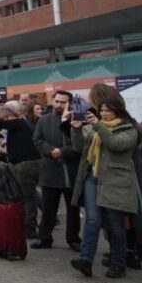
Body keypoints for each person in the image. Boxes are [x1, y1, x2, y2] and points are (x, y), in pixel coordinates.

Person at [70, 93, 142, 278]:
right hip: (92, 178)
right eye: (101, 110)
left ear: (118, 111)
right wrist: (76, 129)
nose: (104, 114)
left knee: (115, 224)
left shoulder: (129, 130)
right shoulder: (97, 128)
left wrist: (98, 125)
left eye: (108, 111)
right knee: (92, 220)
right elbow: (79, 147)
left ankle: (118, 264)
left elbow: (115, 144)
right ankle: (86, 260)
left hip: (115, 181)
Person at [31, 90, 81, 251]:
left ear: (69, 103)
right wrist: (51, 150)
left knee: (73, 208)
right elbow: (37, 140)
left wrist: (63, 152)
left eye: (63, 102)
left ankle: (73, 239)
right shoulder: (44, 120)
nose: (59, 105)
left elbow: (81, 144)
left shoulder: (77, 119)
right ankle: (44, 237)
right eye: (57, 101)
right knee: (48, 208)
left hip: (71, 171)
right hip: (50, 169)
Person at [0, 101, 41, 239]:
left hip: (25, 165)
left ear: (15, 113)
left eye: (8, 116)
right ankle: (40, 221)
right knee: (29, 194)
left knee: (27, 197)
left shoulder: (20, 122)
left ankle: (30, 227)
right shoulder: (22, 124)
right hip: (21, 164)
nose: (7, 120)